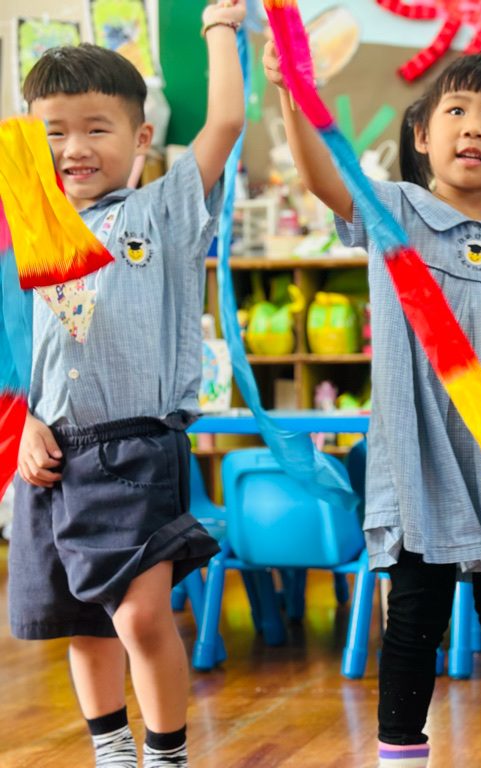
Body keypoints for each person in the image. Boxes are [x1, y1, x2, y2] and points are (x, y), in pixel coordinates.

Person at [264, 43, 481, 768]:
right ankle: (401, 752)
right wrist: (291, 91)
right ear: (422, 133)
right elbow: (318, 176)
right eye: (457, 110)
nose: (474, 127)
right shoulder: (394, 210)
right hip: (419, 457)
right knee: (413, 618)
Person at [10, 3, 247, 765]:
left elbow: (226, 123)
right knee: (83, 622)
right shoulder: (27, 231)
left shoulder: (162, 211)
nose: (74, 148)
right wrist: (24, 425)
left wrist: (219, 29)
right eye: (54, 132)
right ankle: (112, 750)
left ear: (141, 138)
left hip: (135, 450)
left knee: (141, 617)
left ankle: (167, 753)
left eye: (96, 128)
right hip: (52, 459)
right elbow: (16, 355)